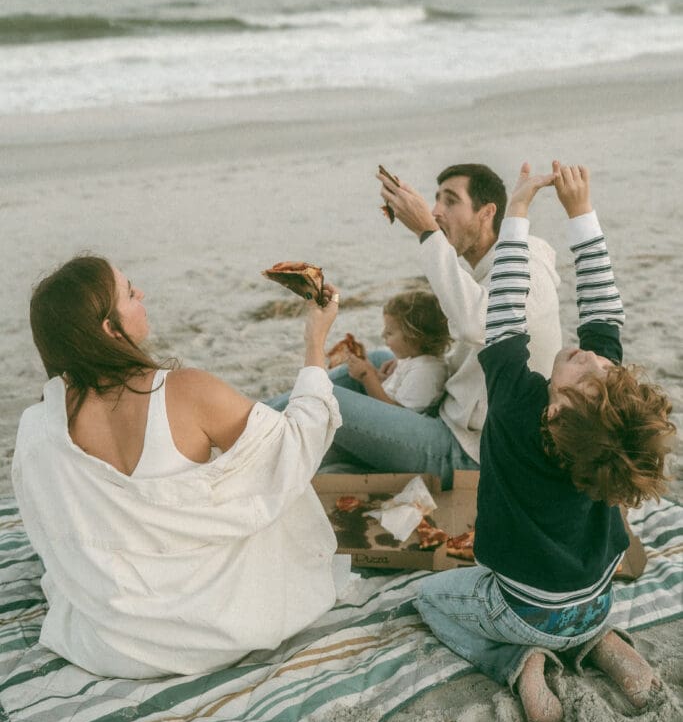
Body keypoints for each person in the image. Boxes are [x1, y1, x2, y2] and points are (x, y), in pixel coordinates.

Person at [416, 162, 675, 722]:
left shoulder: (514, 407)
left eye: (587, 370)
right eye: (604, 364)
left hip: (524, 611)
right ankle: (601, 644)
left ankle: (519, 664)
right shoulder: (606, 422)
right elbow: (604, 310)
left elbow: (502, 313)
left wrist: (519, 214)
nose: (591, 356)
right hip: (595, 600)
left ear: (556, 409)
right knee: (576, 615)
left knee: (428, 600)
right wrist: (580, 212)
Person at [11, 255, 347, 679]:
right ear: (109, 330)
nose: (142, 295)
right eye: (130, 293)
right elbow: (298, 445)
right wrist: (315, 343)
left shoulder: (38, 426)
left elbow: (52, 523)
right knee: (270, 477)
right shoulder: (187, 392)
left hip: (115, 643)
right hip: (219, 628)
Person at [312, 163, 561, 488]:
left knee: (324, 398)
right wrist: (411, 369)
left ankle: (250, 423)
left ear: (487, 213)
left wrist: (427, 233)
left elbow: (480, 325)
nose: (436, 211)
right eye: (435, 201)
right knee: (376, 359)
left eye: (450, 201)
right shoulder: (489, 268)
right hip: (452, 420)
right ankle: (262, 420)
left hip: (472, 452)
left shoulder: (528, 269)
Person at [336, 288, 450, 412]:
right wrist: (371, 370)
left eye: (389, 332)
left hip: (396, 424)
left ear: (414, 337)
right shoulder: (413, 359)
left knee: (332, 396)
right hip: (388, 407)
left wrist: (367, 376)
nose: (383, 334)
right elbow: (394, 389)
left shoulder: (426, 372)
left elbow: (395, 415)